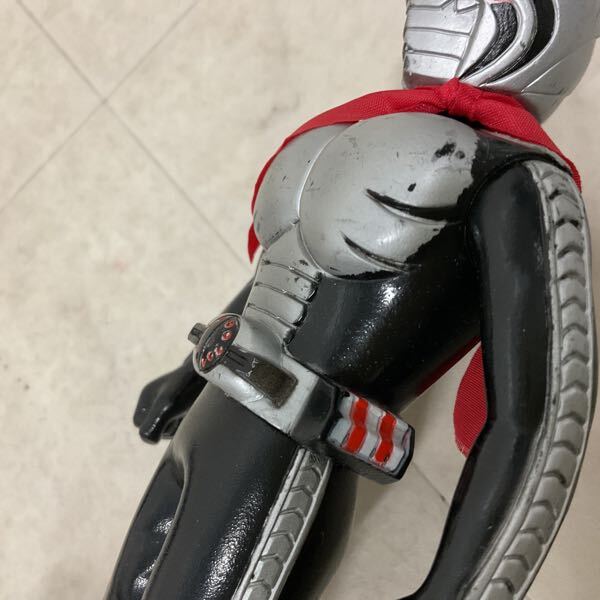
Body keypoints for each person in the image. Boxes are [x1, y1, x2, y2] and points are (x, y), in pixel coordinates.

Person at [105, 2, 599, 598]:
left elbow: (539, 414)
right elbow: (285, 272)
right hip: (214, 413)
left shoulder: (519, 179)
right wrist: (187, 375)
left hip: (287, 447)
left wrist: (459, 587)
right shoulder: (360, 128)